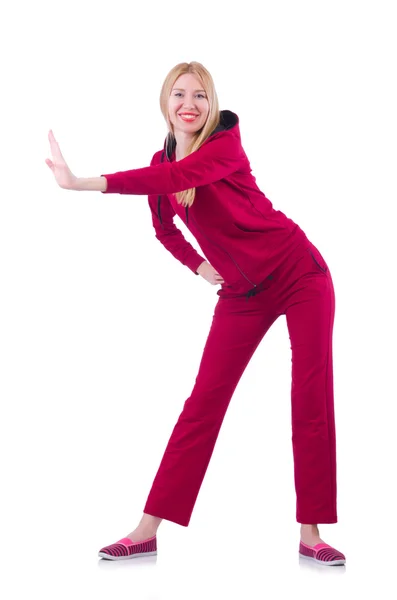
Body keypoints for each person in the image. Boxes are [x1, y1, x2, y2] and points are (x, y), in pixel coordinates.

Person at [45, 61, 346, 567]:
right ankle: (146, 530)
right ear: (166, 102)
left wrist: (82, 183)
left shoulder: (223, 146)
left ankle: (311, 533)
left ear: (211, 105)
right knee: (202, 404)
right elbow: (165, 229)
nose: (190, 103)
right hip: (242, 294)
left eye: (201, 96)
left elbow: (180, 176)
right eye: (179, 93)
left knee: (309, 394)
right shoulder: (160, 164)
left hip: (300, 275)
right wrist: (200, 266)